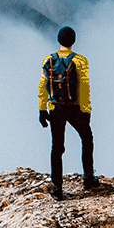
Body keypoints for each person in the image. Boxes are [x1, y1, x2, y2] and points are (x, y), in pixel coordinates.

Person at [39, 26, 97, 200]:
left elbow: (43, 86)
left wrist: (42, 109)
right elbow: (85, 88)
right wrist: (86, 110)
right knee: (87, 139)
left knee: (56, 147)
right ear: (74, 40)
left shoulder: (48, 59)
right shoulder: (80, 61)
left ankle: (57, 188)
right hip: (75, 108)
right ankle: (88, 178)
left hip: (55, 108)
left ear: (58, 40)